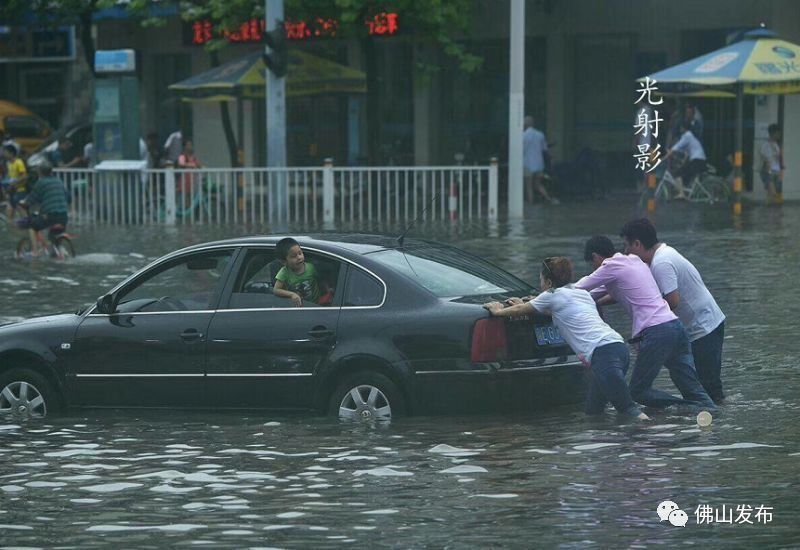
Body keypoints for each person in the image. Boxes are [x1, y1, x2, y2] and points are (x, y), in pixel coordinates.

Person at [484, 257, 648, 420]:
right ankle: (602, 441)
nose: (540, 283)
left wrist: (498, 311)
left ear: (548, 282)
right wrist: (530, 303)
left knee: (628, 409)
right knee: (594, 411)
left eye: (540, 279)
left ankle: (652, 440)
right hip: (618, 348)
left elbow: (522, 309)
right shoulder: (581, 293)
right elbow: (560, 310)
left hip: (603, 354)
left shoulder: (551, 295)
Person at [575, 236, 715, 410]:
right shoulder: (633, 261)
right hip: (675, 326)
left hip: (656, 331)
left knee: (637, 391)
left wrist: (542, 299)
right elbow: (596, 292)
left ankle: (689, 409)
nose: (594, 268)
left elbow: (576, 290)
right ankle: (712, 415)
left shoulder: (610, 266)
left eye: (592, 264)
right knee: (692, 388)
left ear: (595, 257)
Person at [620, 218, 726, 404]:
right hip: (703, 324)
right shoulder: (662, 254)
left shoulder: (661, 263)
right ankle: (714, 420)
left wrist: (649, 318)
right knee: (701, 386)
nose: (625, 251)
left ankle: (717, 423)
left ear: (637, 243)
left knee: (708, 387)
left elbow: (673, 301)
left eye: (626, 245)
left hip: (703, 328)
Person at [18, 162, 69, 257]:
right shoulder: (58, 181)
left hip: (50, 215)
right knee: (53, 236)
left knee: (33, 227)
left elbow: (32, 198)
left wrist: (23, 203)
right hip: (64, 215)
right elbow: (66, 195)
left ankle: (35, 252)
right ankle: (60, 251)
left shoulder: (41, 182)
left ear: (39, 172)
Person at [273, 237, 332, 307]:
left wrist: (328, 290)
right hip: (299, 307)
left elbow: (321, 280)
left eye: (300, 253)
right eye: (294, 256)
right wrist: (292, 294)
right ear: (284, 262)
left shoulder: (311, 267)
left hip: (317, 305)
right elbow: (276, 290)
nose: (299, 257)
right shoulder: (284, 272)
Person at [663, 121, 706, 200]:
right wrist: (681, 161)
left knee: (677, 173)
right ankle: (683, 192)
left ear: (683, 128)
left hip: (697, 161)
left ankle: (681, 194)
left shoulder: (687, 136)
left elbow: (677, 146)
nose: (680, 129)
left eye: (681, 127)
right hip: (699, 160)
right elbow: (685, 152)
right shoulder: (690, 136)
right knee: (682, 171)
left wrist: (665, 157)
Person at [523, 116, 559, 204]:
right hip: (539, 164)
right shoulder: (540, 134)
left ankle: (531, 203)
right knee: (538, 184)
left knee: (529, 186)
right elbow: (545, 150)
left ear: (525, 124)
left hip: (527, 164)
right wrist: (551, 158)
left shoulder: (522, 136)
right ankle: (548, 198)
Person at [759, 123, 783, 205]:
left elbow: (777, 158)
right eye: (778, 133)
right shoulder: (765, 145)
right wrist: (768, 171)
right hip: (768, 172)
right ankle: (773, 213)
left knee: (770, 195)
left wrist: (780, 170)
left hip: (775, 171)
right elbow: (764, 159)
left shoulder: (776, 145)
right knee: (773, 194)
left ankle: (767, 213)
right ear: (773, 133)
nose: (779, 135)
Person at [3, 144, 28, 222]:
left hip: (20, 190)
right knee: (10, 212)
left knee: (22, 211)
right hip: (12, 191)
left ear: (11, 153)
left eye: (5, 152)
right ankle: (12, 230)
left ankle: (29, 229)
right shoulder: (9, 164)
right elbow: (11, 178)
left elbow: (24, 176)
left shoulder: (19, 162)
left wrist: (13, 183)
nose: (4, 153)